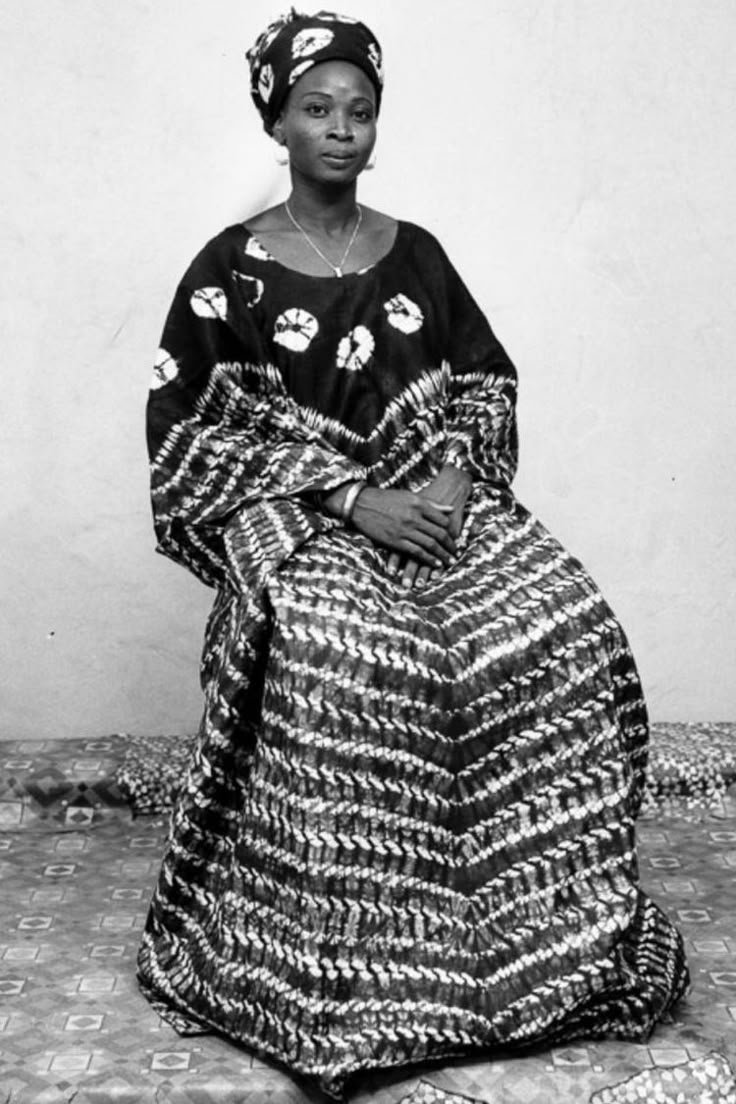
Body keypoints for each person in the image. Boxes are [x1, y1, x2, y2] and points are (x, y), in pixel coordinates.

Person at [137, 9, 689, 1100]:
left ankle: (542, 941)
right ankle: (359, 958)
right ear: (277, 122)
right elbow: (188, 439)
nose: (340, 129)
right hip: (306, 519)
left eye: (359, 110)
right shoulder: (229, 271)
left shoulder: (418, 254)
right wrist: (348, 497)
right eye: (315, 109)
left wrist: (452, 479)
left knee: (566, 632)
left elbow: (483, 382)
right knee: (351, 665)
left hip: (437, 502)